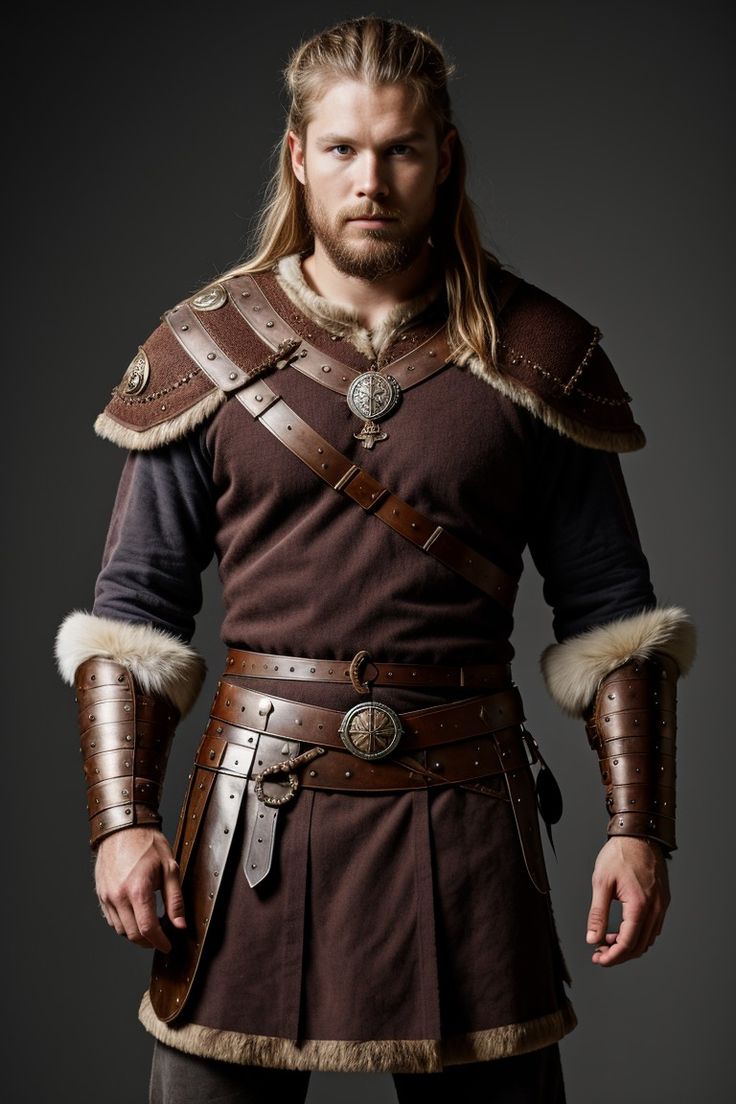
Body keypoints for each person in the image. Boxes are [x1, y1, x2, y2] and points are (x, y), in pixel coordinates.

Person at [55, 15, 695, 1104]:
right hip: (253, 820)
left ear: (443, 155)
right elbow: (135, 611)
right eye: (343, 149)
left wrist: (639, 832)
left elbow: (611, 615)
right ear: (298, 157)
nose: (372, 180)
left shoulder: (536, 351)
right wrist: (122, 823)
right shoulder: (203, 348)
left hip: (468, 818)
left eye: (399, 149)